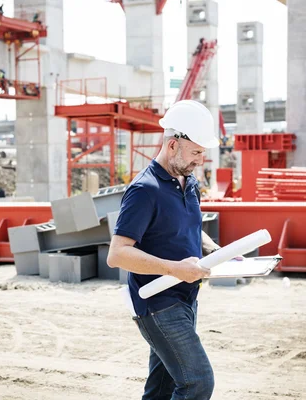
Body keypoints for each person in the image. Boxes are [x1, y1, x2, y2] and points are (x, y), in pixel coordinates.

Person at [107, 100, 222, 399]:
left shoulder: (189, 183)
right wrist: (174, 268)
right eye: (196, 152)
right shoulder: (144, 190)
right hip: (157, 303)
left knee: (162, 388)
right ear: (173, 145)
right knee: (197, 382)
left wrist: (219, 251)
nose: (200, 160)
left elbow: (187, 229)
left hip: (186, 298)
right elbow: (117, 253)